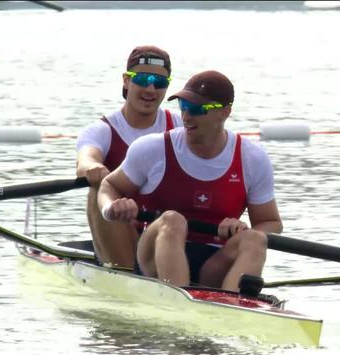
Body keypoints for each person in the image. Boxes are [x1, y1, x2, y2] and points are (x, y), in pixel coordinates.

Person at [97, 70, 283, 292]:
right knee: (173, 220)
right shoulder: (152, 149)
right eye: (183, 106)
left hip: (214, 263)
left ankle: (233, 307)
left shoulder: (252, 159)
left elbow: (271, 222)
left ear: (224, 112)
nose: (187, 116)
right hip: (154, 255)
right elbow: (109, 186)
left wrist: (242, 227)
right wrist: (111, 207)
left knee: (255, 240)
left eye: (196, 109)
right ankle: (178, 301)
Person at [76, 45, 183, 269]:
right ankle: (124, 270)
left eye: (160, 82)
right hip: (122, 232)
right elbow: (86, 161)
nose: (151, 89)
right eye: (143, 79)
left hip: (170, 231)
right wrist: (94, 169)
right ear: (126, 80)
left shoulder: (181, 126)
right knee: (99, 188)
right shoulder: (102, 130)